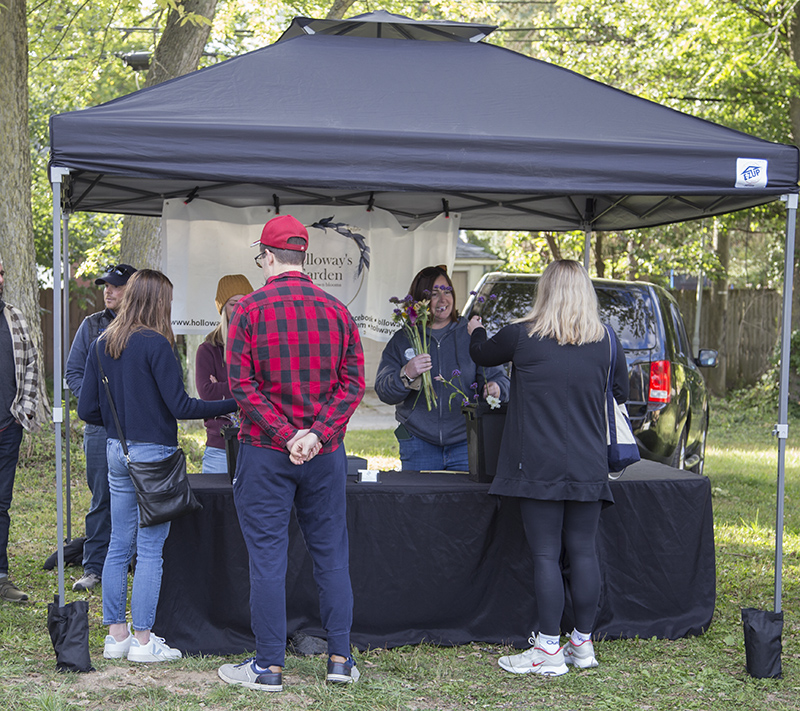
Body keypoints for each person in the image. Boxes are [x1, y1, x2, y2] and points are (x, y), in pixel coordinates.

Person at [218, 214, 365, 692]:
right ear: (303, 255)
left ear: (267, 256)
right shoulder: (337, 311)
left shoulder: (249, 312)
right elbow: (353, 384)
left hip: (265, 452)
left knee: (267, 559)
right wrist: (316, 435)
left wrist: (286, 436)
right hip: (323, 455)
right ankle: (340, 661)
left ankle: (268, 667)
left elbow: (242, 386)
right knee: (331, 555)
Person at [468, 260, 629, 676]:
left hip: (536, 462)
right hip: (590, 463)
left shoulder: (522, 335)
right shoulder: (608, 340)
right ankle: (583, 645)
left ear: (546, 290)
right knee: (583, 552)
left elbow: (480, 353)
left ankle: (547, 650)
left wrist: (476, 328)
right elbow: (621, 392)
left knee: (545, 554)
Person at [78, 269, 236, 663]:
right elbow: (182, 407)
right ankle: (144, 642)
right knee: (149, 551)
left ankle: (116, 638)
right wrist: (237, 402)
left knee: (118, 544)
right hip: (154, 457)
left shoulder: (103, 342)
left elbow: (86, 409)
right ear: (158, 302)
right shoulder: (157, 345)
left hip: (118, 450)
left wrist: (122, 426)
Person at [375, 265, 509, 471]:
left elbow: (501, 380)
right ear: (420, 301)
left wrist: (495, 389)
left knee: (466, 502)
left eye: (447, 291)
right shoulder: (404, 338)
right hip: (418, 443)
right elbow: (383, 390)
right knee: (421, 502)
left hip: (466, 442)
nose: (443, 299)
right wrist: (407, 374)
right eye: (434, 294)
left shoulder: (471, 334)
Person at [65, 263, 137, 592]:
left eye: (116, 286)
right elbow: (74, 373)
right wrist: (95, 406)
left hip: (139, 429)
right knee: (102, 498)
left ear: (132, 289)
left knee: (142, 494)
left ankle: (135, 558)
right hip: (99, 429)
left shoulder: (145, 327)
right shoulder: (91, 325)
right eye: (105, 286)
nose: (107, 291)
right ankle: (94, 567)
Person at [0, 259, 40, 603]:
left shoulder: (13, 317)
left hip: (6, 427)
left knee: (1, 504)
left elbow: (31, 362)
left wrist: (22, 412)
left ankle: (0, 577)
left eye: (0, 273)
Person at [195, 274, 252, 473]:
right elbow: (207, 394)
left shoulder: (260, 344)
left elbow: (271, 388)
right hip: (219, 448)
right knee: (218, 504)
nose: (239, 309)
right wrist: (249, 385)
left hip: (257, 446)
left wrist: (221, 385)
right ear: (222, 309)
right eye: (233, 304)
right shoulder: (209, 349)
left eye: (244, 302)